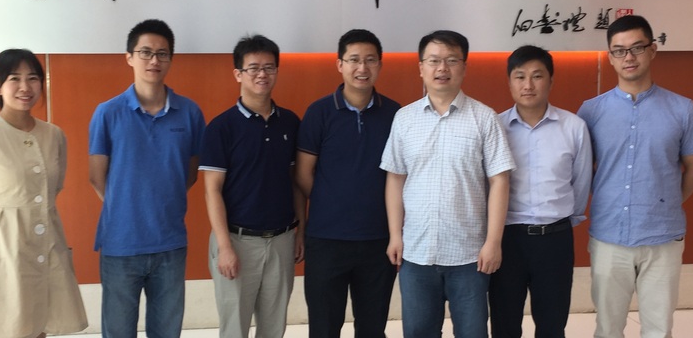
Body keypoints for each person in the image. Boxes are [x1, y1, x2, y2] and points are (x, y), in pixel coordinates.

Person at [578, 15, 693, 338]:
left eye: (637, 48)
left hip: (663, 237)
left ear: (653, 50)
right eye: (619, 50)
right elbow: (580, 170)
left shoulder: (683, 109)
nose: (629, 57)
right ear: (610, 57)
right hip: (608, 236)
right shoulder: (591, 111)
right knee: (607, 328)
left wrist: (668, 200)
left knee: (658, 329)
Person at [381, 30, 514, 338]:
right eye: (434, 61)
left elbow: (500, 180)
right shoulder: (404, 119)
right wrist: (395, 235)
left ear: (464, 67)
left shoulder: (485, 118)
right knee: (418, 333)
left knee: (472, 333)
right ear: (421, 67)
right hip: (416, 252)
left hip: (469, 256)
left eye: (452, 60)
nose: (442, 68)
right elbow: (395, 178)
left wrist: (493, 242)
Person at [0, 49, 88, 338]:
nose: (25, 87)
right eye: (14, 78)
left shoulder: (54, 135)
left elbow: (51, 191)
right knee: (6, 327)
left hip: (48, 242)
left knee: (41, 325)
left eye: (33, 78)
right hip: (3, 246)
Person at [88, 19, 205, 338]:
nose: (154, 60)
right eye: (145, 52)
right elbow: (97, 177)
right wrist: (128, 207)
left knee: (167, 332)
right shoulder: (108, 113)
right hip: (121, 244)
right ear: (129, 57)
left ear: (170, 59)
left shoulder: (190, 113)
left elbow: (189, 173)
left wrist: (158, 203)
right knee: (118, 332)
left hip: (170, 243)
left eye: (162, 54)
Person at [296, 29, 400, 338]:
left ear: (380, 65)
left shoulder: (396, 114)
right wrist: (333, 200)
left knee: (372, 328)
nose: (362, 68)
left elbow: (401, 177)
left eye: (370, 60)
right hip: (326, 240)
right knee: (324, 328)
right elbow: (303, 174)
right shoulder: (319, 112)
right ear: (339, 64)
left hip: (378, 240)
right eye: (354, 60)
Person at [200, 34, 304, 338]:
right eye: (254, 68)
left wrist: (301, 231)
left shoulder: (290, 123)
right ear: (238, 74)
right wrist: (224, 247)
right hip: (237, 241)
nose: (262, 74)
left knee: (274, 328)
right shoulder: (221, 128)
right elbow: (212, 190)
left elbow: (296, 183)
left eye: (269, 67)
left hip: (282, 240)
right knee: (235, 328)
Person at [489, 45, 593, 338]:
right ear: (509, 82)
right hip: (507, 239)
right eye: (520, 76)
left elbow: (581, 182)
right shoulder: (495, 127)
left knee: (552, 325)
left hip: (555, 240)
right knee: (504, 324)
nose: (528, 85)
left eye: (537, 76)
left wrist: (563, 220)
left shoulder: (574, 127)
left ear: (551, 80)